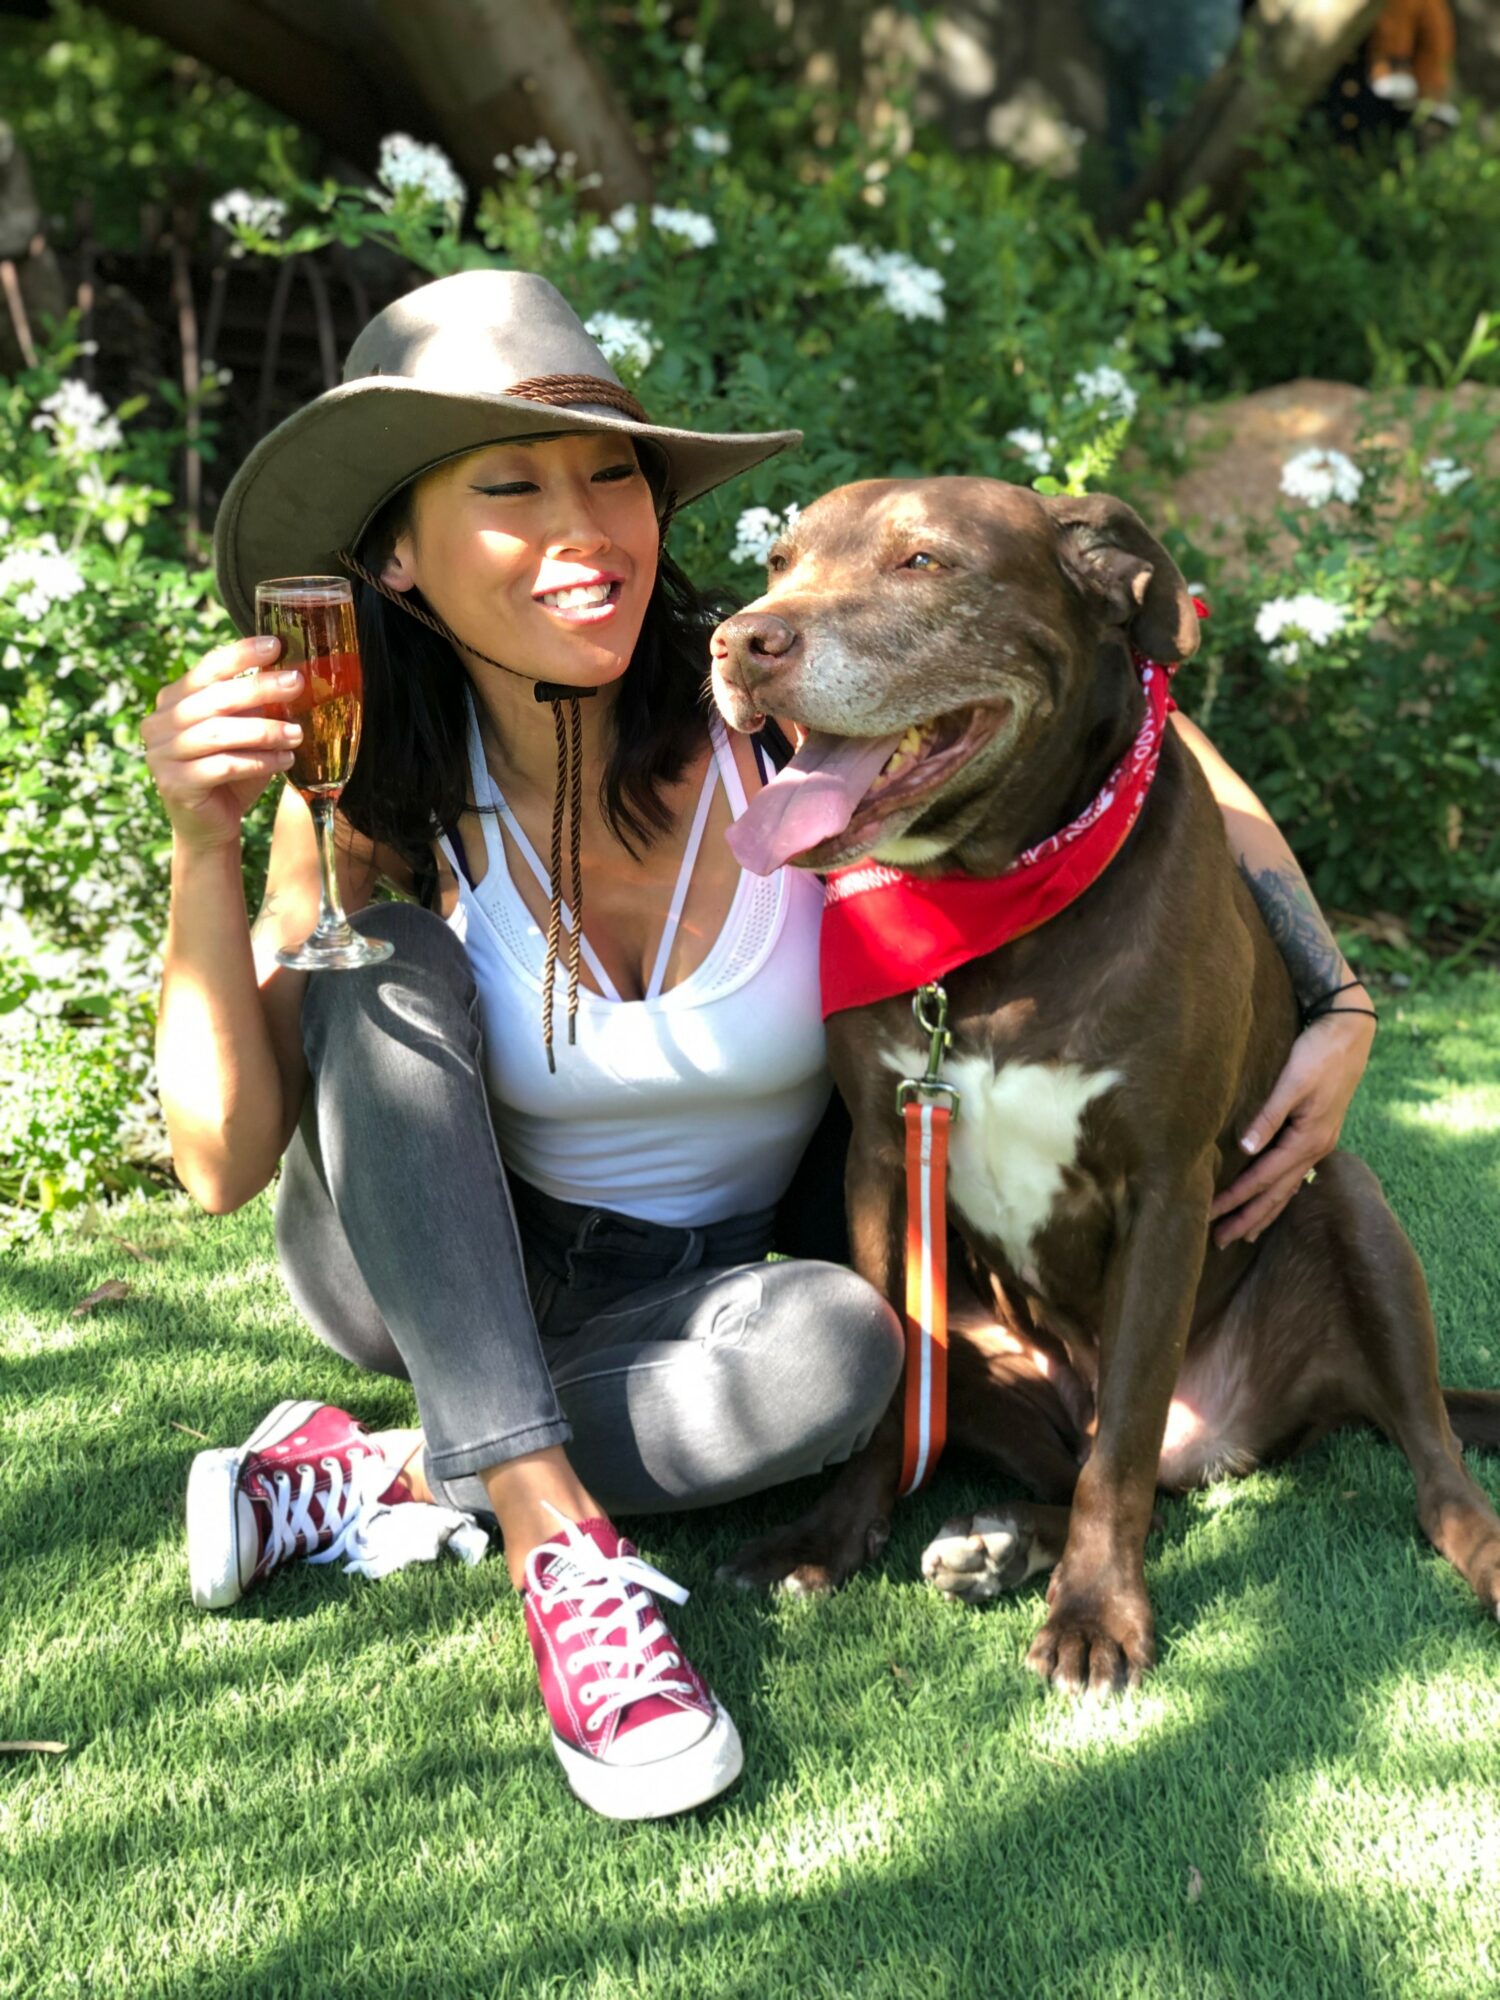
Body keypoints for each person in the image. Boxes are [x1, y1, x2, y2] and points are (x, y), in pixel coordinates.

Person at [143, 269, 1376, 1821]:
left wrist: (1337, 997)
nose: (584, 529)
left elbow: (1144, 725)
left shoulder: (779, 712)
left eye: (612, 478)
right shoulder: (368, 783)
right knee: (384, 961)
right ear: (397, 553)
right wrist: (203, 842)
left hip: (704, 1290)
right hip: (436, 1254)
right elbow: (220, 1166)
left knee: (839, 1355)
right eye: (510, 488)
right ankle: (557, 1551)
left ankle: (378, 1471)